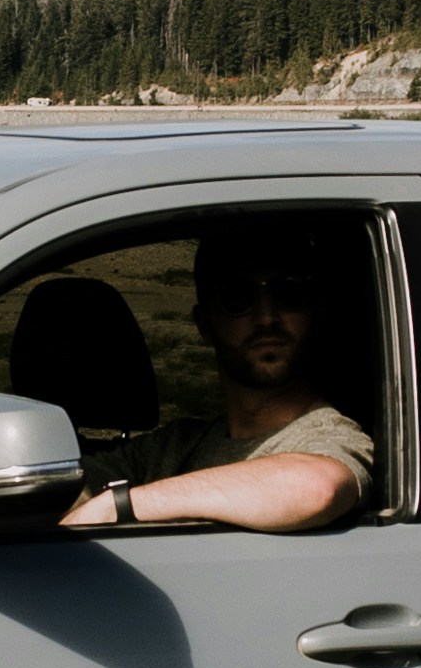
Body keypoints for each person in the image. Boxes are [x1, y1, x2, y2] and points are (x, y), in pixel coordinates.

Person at [59, 223, 376, 534]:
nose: (266, 317)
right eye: (237, 298)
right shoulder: (175, 446)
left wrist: (121, 506)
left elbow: (315, 489)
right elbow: (65, 492)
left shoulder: (328, 436)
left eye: (288, 293)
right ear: (205, 323)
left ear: (315, 311)